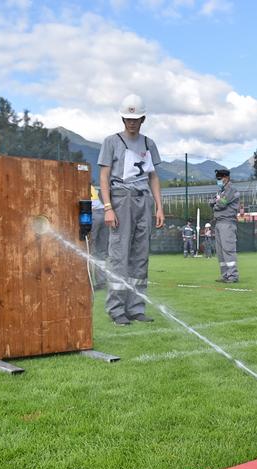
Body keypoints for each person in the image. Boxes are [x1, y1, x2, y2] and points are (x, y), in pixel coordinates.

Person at [98, 93, 165, 326]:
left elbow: (154, 177)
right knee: (119, 255)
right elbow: (104, 177)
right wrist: (108, 207)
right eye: (128, 118)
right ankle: (117, 309)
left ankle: (136, 307)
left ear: (143, 119)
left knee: (140, 256)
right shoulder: (111, 142)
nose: (132, 122)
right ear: (122, 118)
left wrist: (159, 207)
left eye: (136, 118)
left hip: (144, 200)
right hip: (120, 199)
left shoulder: (149, 144)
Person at [211, 169, 240, 282]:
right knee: (220, 251)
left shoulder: (231, 189)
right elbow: (212, 201)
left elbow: (221, 204)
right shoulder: (221, 191)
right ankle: (225, 275)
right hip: (219, 222)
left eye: (219, 179)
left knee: (228, 250)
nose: (218, 181)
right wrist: (216, 202)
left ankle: (233, 276)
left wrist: (216, 203)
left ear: (226, 178)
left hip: (227, 223)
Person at [88, 184, 108, 290]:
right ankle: (101, 281)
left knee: (89, 249)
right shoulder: (91, 185)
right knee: (101, 251)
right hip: (103, 213)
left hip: (93, 214)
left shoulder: (79, 182)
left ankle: (88, 281)